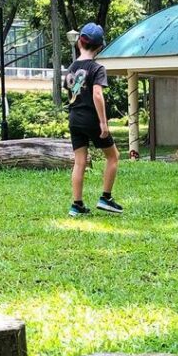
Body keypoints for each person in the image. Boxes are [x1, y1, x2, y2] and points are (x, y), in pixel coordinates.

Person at [64, 22, 122, 216]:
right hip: (91, 119)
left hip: (74, 118)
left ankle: (77, 205)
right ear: (99, 47)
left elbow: (71, 92)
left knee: (79, 161)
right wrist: (103, 123)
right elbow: (97, 94)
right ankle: (106, 198)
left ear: (79, 43)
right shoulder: (97, 68)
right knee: (113, 156)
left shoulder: (71, 68)